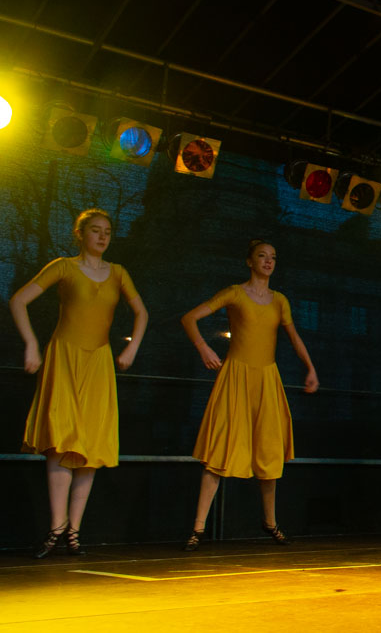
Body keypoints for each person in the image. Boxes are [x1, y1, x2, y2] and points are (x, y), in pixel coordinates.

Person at [10, 208, 148, 558]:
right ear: (80, 234)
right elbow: (19, 300)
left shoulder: (118, 273)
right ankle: (56, 529)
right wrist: (31, 343)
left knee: (90, 447)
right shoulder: (64, 267)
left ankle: (74, 532)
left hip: (99, 361)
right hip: (64, 359)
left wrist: (132, 349)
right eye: (95, 230)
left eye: (107, 232)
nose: (102, 237)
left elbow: (142, 312)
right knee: (60, 442)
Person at [180, 240, 318, 550]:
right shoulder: (234, 293)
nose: (269, 262)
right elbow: (189, 318)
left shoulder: (280, 300)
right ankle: (198, 528)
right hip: (235, 377)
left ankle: (270, 523)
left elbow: (294, 337)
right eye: (262, 256)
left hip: (267, 379)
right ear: (249, 261)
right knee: (219, 451)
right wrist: (203, 347)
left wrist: (310, 368)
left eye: (273, 257)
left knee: (268, 452)